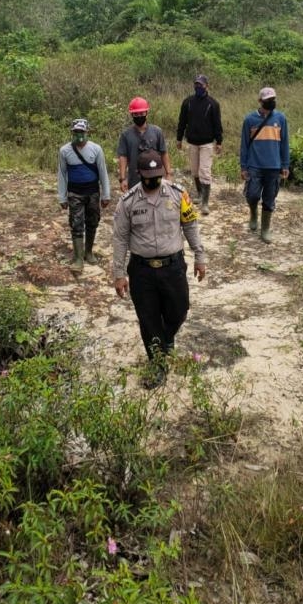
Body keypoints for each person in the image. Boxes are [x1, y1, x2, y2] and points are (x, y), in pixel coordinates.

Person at [112, 149, 206, 388]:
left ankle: (166, 341)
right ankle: (158, 365)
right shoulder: (128, 201)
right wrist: (119, 273)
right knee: (148, 319)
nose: (154, 180)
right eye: (149, 176)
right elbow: (120, 238)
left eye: (158, 174)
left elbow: (190, 225)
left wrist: (200, 256)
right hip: (142, 271)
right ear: (139, 174)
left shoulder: (178, 194)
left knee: (180, 310)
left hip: (172, 267)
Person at [57, 118, 111, 272]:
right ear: (72, 133)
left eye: (82, 131)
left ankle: (88, 252)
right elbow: (61, 174)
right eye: (76, 132)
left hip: (93, 192)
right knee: (76, 223)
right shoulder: (64, 151)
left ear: (87, 132)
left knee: (92, 221)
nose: (79, 135)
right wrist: (62, 197)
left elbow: (103, 172)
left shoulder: (96, 149)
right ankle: (78, 257)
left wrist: (106, 195)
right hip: (74, 193)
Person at [240, 87, 289, 244]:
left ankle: (265, 228)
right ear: (260, 101)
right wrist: (243, 166)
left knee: (270, 197)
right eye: (268, 100)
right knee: (252, 195)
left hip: (273, 167)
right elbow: (244, 145)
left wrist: (285, 165)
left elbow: (284, 144)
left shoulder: (280, 119)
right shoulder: (250, 120)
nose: (271, 103)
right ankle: (253, 213)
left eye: (273, 99)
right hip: (254, 165)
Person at [176, 74, 223, 216]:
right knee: (195, 171)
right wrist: (179, 138)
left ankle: (205, 203)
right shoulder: (187, 102)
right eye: (196, 84)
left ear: (206, 86)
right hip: (192, 142)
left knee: (205, 172)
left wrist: (219, 141)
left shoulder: (213, 104)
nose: (198, 87)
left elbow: (217, 124)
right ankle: (200, 194)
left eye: (201, 85)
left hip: (207, 143)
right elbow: (182, 121)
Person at [117, 96, 172, 193]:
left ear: (146, 113)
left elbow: (164, 153)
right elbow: (123, 157)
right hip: (135, 179)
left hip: (156, 177)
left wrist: (168, 173)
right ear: (132, 114)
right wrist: (123, 178)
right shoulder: (126, 135)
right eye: (136, 114)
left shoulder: (157, 132)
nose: (139, 116)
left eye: (141, 113)